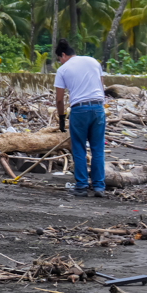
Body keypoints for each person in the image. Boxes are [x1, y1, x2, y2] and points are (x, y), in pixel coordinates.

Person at [53, 39, 106, 197]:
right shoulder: (93, 61)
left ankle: (82, 185)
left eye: (59, 59)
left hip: (79, 110)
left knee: (79, 148)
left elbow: (59, 99)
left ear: (63, 55)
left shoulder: (63, 70)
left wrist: (62, 117)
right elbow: (101, 85)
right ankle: (98, 187)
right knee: (97, 149)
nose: (59, 62)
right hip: (98, 108)